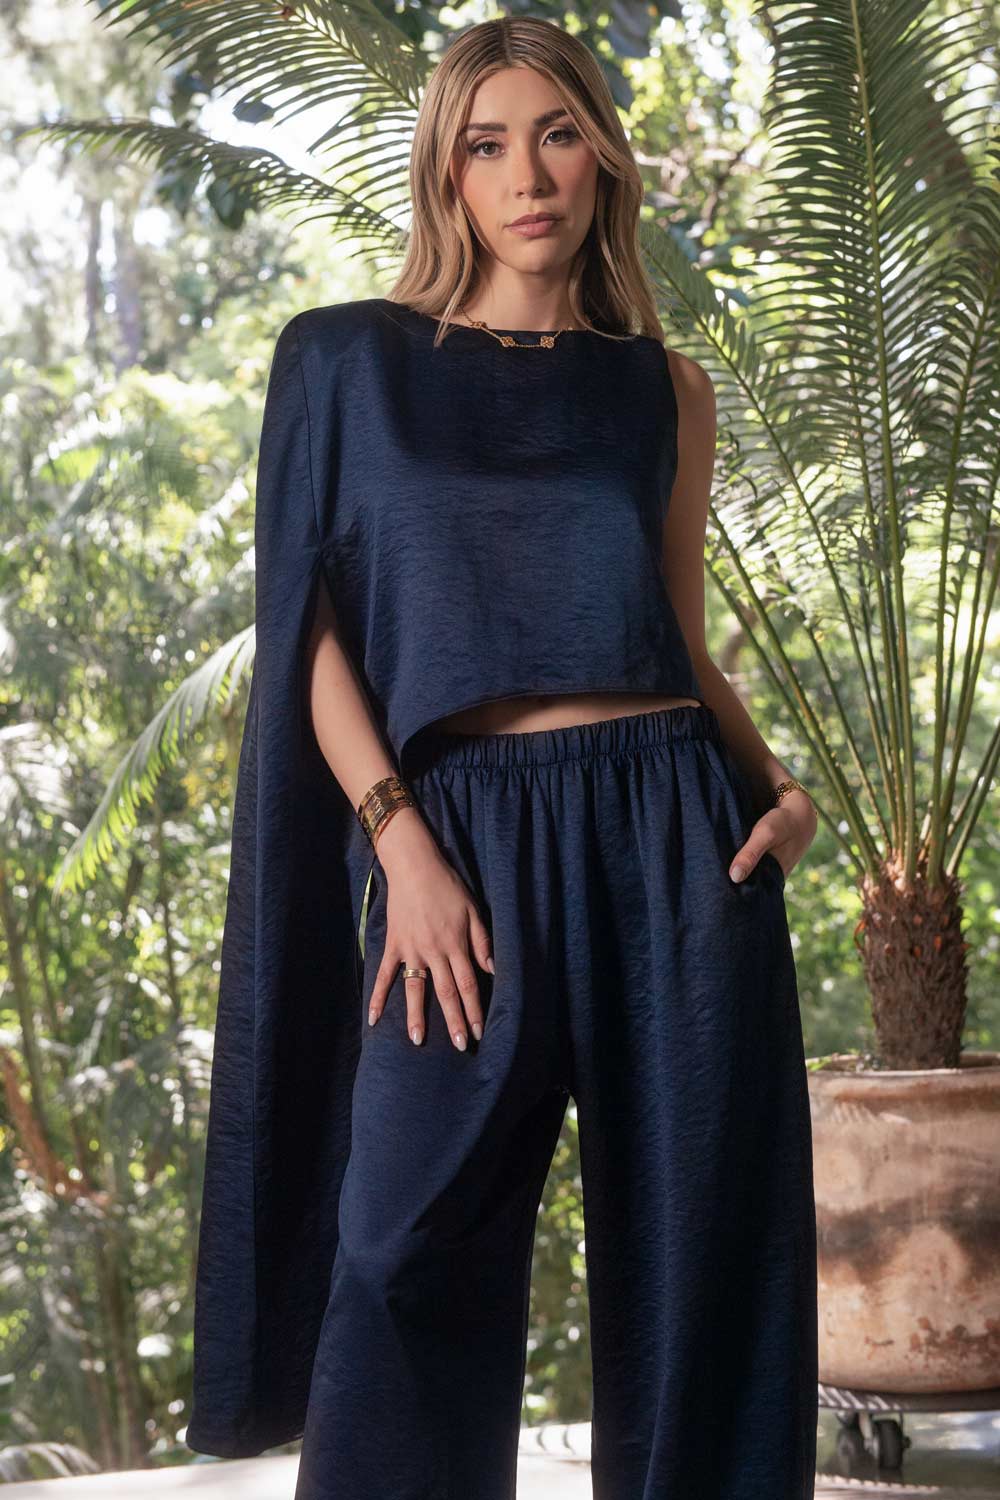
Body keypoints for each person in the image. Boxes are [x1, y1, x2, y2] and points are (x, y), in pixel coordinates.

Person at [187, 16, 820, 1500]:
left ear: (603, 159)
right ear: (447, 174)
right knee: (400, 1252)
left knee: (705, 1265)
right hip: (458, 837)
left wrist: (781, 792)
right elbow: (309, 639)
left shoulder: (662, 389)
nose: (526, 175)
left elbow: (672, 632)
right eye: (487, 144)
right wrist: (400, 837)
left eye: (556, 134)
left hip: (676, 838)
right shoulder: (347, 362)